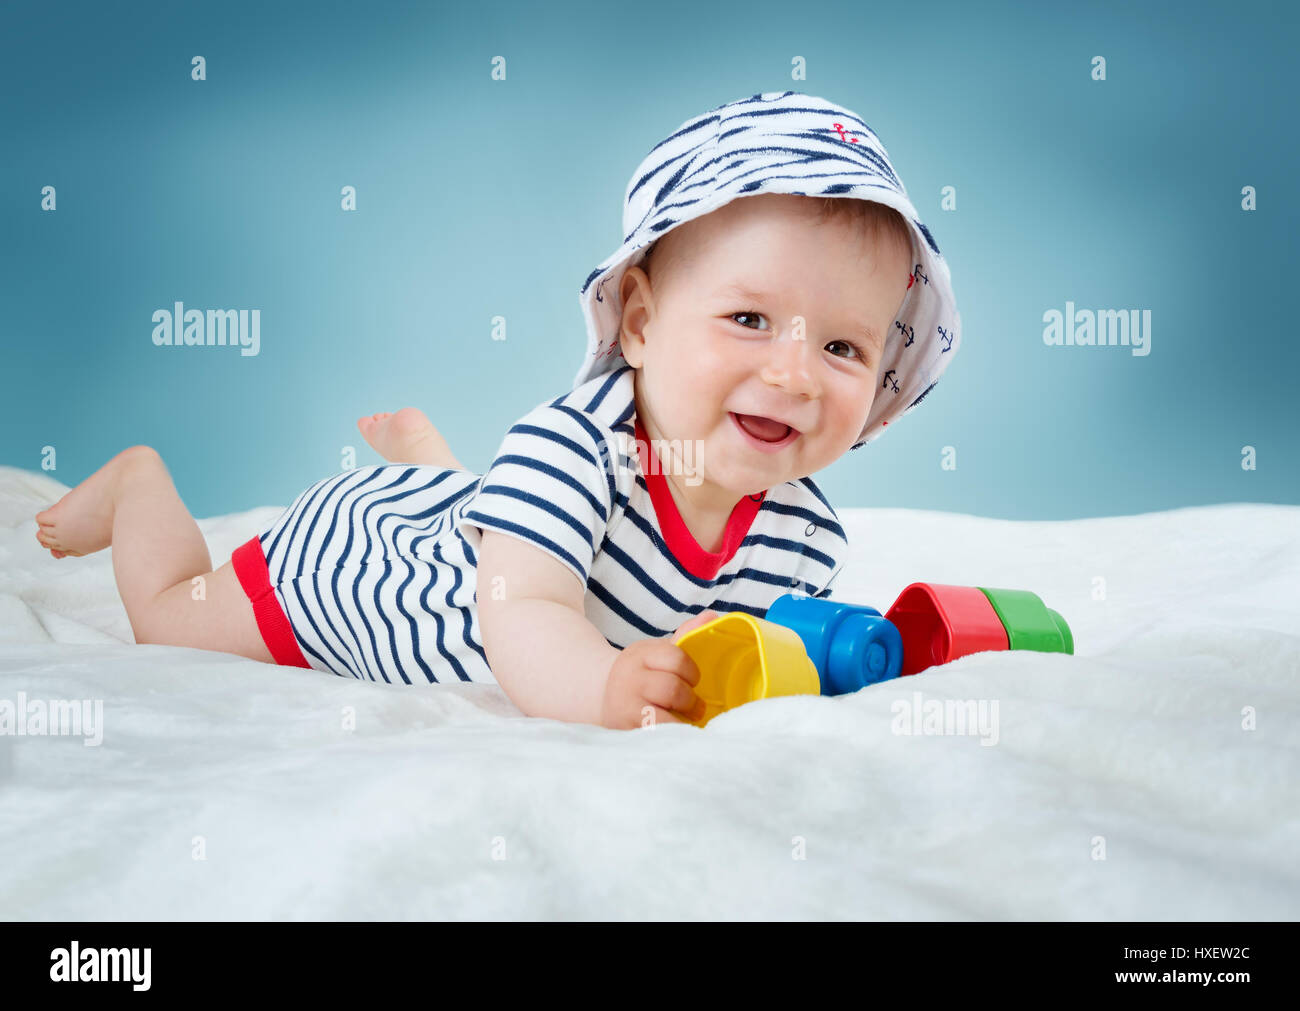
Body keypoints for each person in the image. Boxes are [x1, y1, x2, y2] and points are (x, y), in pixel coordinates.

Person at [34, 91, 962, 730]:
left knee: (485, 511)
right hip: (353, 572)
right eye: (750, 319)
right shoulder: (576, 450)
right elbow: (526, 618)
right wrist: (602, 684)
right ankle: (137, 486)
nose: (796, 374)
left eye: (842, 347)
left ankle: (429, 470)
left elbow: (758, 652)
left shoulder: (804, 531)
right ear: (639, 323)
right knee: (167, 618)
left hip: (484, 526)